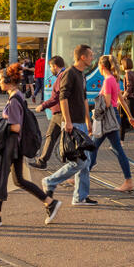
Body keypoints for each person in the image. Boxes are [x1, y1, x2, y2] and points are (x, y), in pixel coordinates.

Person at [0, 64, 61, 227]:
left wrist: (0, 122)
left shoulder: (15, 99)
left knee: (1, 178)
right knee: (19, 180)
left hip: (11, 145)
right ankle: (49, 202)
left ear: (8, 81)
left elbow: (15, 126)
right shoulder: (17, 95)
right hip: (15, 145)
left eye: (1, 80)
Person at [41, 44, 98, 207]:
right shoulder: (70, 74)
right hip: (72, 123)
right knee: (80, 162)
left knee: (85, 162)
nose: (92, 58)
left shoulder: (82, 75)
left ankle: (80, 197)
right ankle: (50, 181)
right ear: (82, 57)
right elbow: (63, 98)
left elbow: (85, 100)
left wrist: (88, 120)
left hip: (81, 122)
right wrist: (68, 121)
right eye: (90, 55)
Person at [89, 55, 134, 192]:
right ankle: (82, 174)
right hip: (112, 117)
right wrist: (130, 116)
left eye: (98, 66)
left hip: (107, 118)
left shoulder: (108, 81)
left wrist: (94, 112)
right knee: (93, 146)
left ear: (102, 67)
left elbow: (107, 103)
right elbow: (121, 100)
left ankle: (128, 181)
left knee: (100, 147)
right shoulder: (113, 80)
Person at [29, 56, 67, 169]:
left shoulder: (61, 76)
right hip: (58, 112)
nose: (50, 69)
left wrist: (43, 105)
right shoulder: (62, 75)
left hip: (61, 112)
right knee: (51, 136)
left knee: (67, 138)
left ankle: (76, 162)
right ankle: (42, 160)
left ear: (55, 66)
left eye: (50, 67)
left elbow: (56, 97)